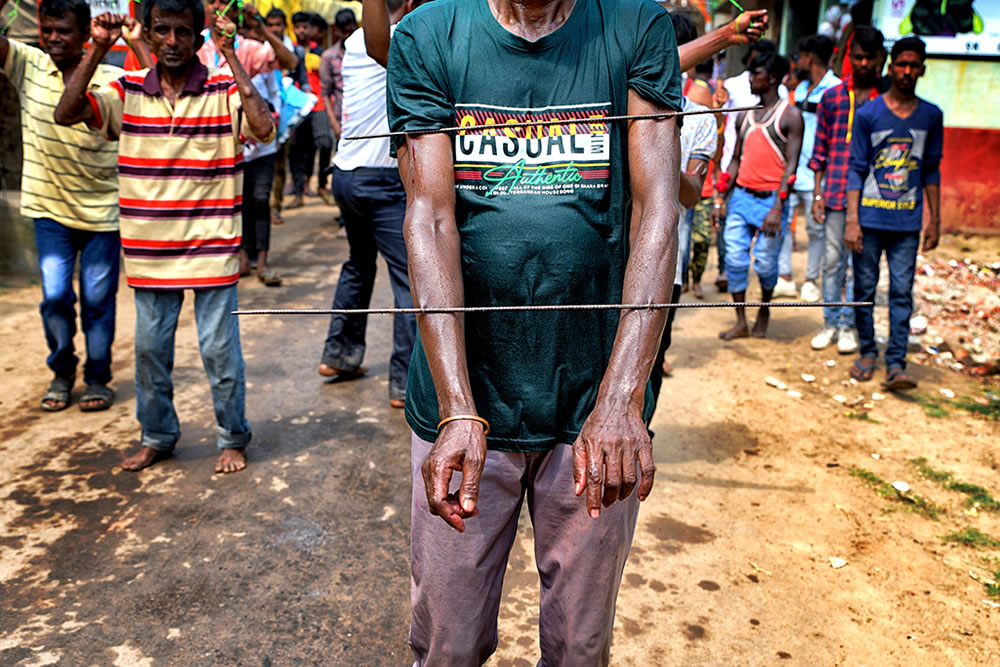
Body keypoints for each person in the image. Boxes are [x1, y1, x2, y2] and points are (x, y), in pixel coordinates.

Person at [386, 0, 682, 662]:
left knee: (580, 644)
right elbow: (429, 216)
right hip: (464, 402)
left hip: (591, 405)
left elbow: (658, 213)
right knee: (448, 642)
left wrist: (620, 398)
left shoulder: (636, 26)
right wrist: (458, 410)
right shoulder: (432, 33)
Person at [54, 0, 275, 473]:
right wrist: (97, 46)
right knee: (151, 354)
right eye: (162, 31)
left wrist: (230, 53)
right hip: (150, 253)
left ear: (198, 39)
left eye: (182, 32)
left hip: (213, 248)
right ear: (150, 37)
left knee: (220, 353)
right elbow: (66, 112)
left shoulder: (221, 89)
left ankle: (232, 436)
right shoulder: (126, 89)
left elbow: (263, 126)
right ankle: (157, 434)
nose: (172, 42)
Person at [1, 0, 149, 412]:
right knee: (54, 298)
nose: (51, 38)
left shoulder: (113, 77)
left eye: (62, 31)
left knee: (99, 301)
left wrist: (132, 43)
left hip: (104, 213)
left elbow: (156, 88)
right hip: (49, 211)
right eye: (46, 29)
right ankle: (62, 370)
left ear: (85, 32)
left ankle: (98, 377)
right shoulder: (27, 62)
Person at [318, 0, 417, 410]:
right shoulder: (396, 40)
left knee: (359, 264)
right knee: (411, 280)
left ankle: (339, 355)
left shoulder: (356, 41)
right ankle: (404, 382)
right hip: (380, 179)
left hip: (346, 175)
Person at [845, 36, 942, 390]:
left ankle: (897, 363)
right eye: (901, 64)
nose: (906, 71)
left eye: (913, 65)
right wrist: (852, 220)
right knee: (864, 289)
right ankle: (868, 353)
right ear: (891, 67)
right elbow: (856, 168)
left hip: (907, 222)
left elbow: (931, 169)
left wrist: (936, 220)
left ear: (922, 70)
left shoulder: (931, 116)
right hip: (869, 220)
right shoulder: (869, 114)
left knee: (902, 291)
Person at [714, 52, 803, 340]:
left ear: (773, 77)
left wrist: (778, 207)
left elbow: (791, 166)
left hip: (770, 201)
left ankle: (763, 308)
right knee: (735, 260)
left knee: (765, 262)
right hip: (741, 197)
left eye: (756, 74)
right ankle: (740, 320)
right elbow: (735, 159)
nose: (751, 79)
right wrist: (719, 199)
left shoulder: (790, 116)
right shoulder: (744, 115)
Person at [809, 26, 886, 354]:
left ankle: (850, 326)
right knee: (832, 261)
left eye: (870, 58)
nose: (864, 63)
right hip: (837, 193)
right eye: (858, 57)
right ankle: (831, 322)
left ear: (881, 59)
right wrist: (816, 193)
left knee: (863, 267)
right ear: (849, 58)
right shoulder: (833, 97)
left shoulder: (889, 100)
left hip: (878, 197)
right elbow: (820, 149)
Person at [652, 11, 716, 391]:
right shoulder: (612, 111)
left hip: (665, 264)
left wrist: (659, 150)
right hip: (606, 258)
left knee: (653, 361)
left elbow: (691, 196)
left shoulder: (701, 120)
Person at [780, 34, 840, 304]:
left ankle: (810, 280)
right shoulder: (800, 89)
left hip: (819, 173)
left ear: (810, 57)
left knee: (816, 229)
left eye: (800, 57)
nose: (797, 62)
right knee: (784, 223)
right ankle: (784, 277)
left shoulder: (835, 89)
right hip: (792, 168)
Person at [265, 7, 309, 225]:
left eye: (278, 24)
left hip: (286, 114)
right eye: (270, 25)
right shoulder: (259, 49)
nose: (274, 28)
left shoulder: (296, 52)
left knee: (280, 162)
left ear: (284, 26)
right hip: (262, 113)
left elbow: (303, 80)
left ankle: (275, 206)